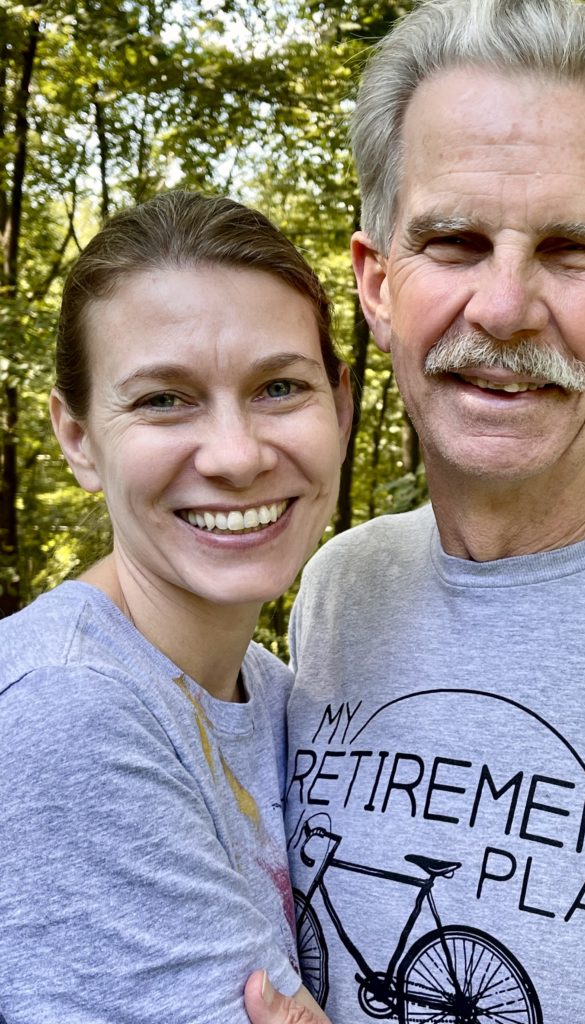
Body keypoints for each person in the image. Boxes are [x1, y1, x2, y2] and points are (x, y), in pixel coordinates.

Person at [246, 1, 585, 1022]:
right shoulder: (342, 587)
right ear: (378, 285)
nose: (504, 306)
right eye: (455, 240)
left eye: (572, 248)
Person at [0, 190, 351, 1023]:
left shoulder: (271, 691)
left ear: (339, 406)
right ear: (78, 437)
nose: (236, 456)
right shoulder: (67, 706)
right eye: (164, 399)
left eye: (278, 387)